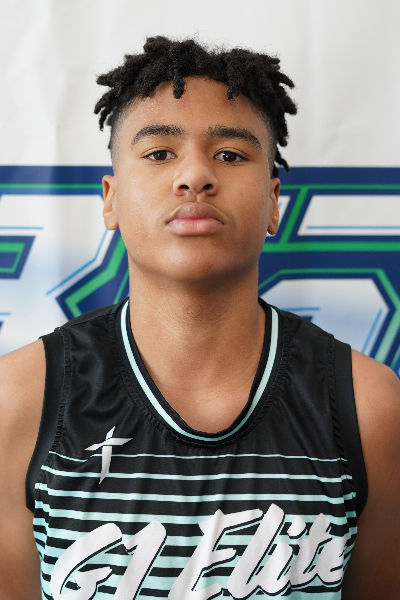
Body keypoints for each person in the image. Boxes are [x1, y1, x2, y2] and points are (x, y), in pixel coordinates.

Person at [0, 36, 399, 600]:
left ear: (274, 202)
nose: (195, 176)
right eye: (159, 153)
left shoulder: (369, 408)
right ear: (110, 199)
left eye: (230, 155)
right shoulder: (20, 399)